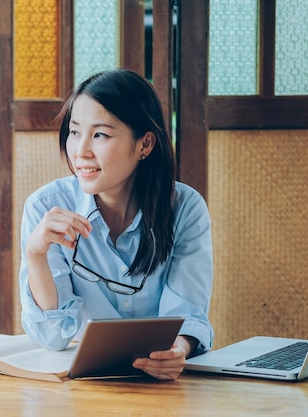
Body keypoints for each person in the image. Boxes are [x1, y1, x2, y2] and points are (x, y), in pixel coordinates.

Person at [18, 69, 214, 380]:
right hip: (83, 388)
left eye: (100, 135)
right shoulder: (45, 207)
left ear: (144, 145)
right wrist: (35, 255)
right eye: (74, 131)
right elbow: (53, 337)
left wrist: (178, 350)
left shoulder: (185, 209)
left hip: (164, 386)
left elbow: (187, 316)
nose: (81, 151)